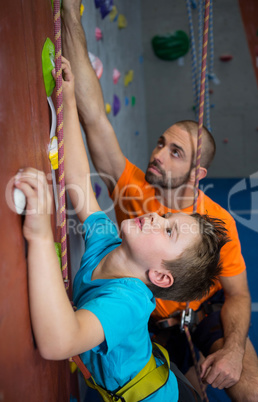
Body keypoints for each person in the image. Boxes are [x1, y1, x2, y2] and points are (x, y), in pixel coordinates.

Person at [61, 2, 258, 401]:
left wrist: (233, 349)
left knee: (253, 392)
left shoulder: (217, 223)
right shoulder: (132, 186)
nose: (157, 154)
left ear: (197, 175)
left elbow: (238, 294)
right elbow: (93, 117)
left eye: (175, 152)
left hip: (200, 317)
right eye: (160, 143)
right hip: (143, 320)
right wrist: (70, 14)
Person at [13, 58, 228, 402]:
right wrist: (67, 101)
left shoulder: (126, 302)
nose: (157, 217)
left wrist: (39, 235)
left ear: (159, 276)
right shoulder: (109, 242)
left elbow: (57, 342)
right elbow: (81, 181)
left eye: (168, 230)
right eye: (167, 217)